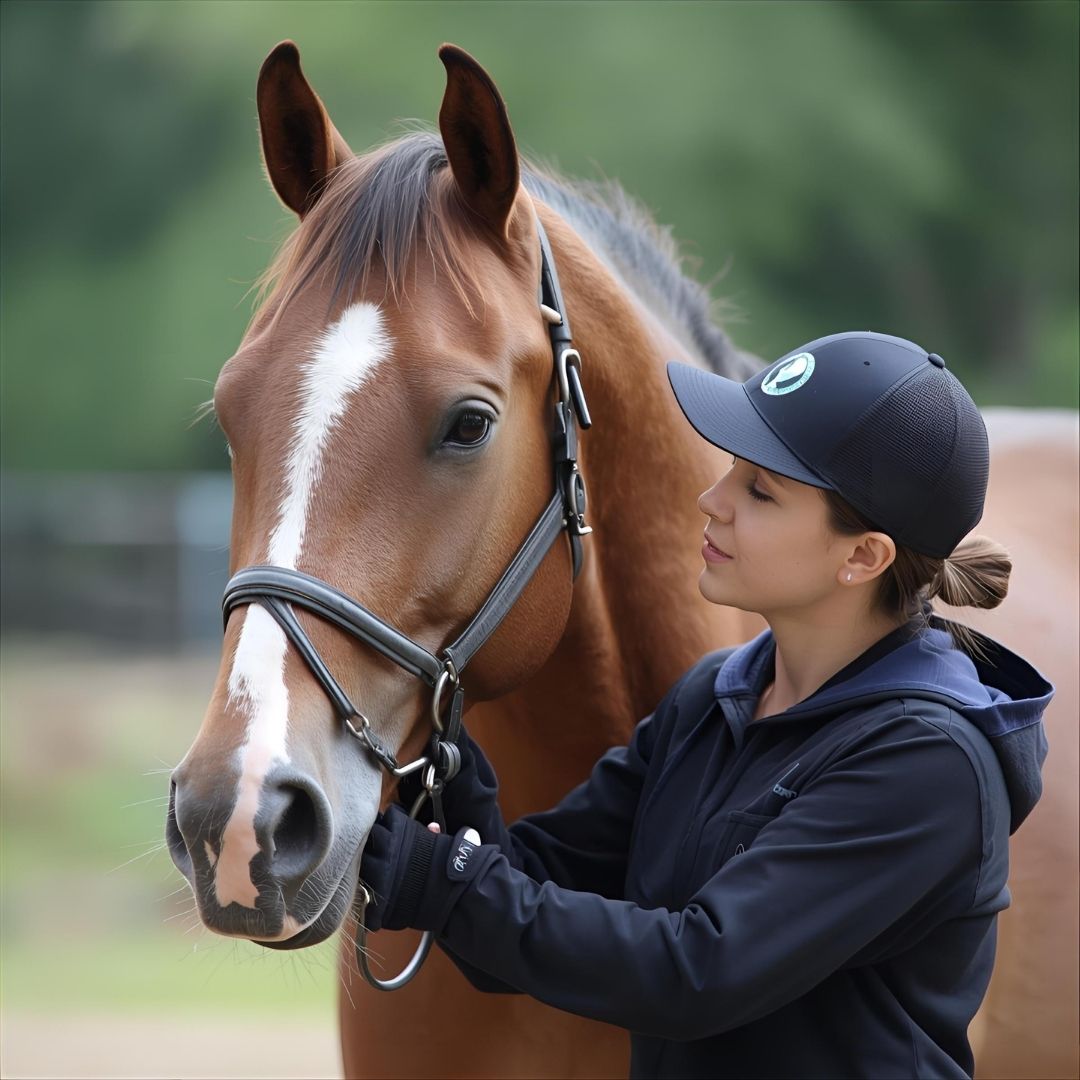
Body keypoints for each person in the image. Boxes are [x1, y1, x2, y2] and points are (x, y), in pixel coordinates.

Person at [360, 330, 1053, 1080]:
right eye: (732, 468)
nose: (712, 501)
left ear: (863, 557)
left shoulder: (929, 763)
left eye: (760, 490)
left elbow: (695, 972)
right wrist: (442, 747)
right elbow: (529, 887)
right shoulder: (718, 695)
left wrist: (446, 882)